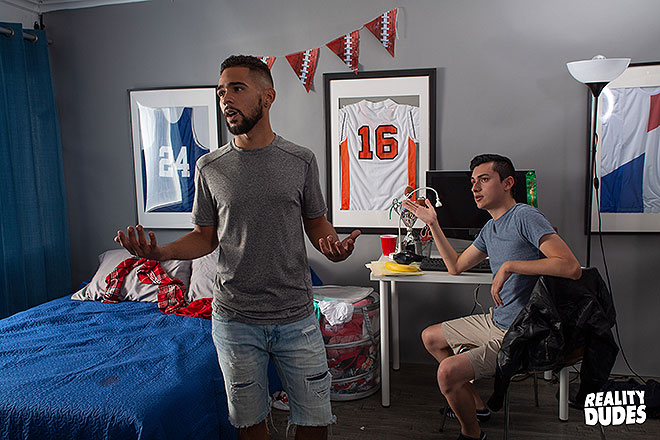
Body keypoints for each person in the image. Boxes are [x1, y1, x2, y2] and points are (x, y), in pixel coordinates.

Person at [115, 54, 360, 440]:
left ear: (268, 97)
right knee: (249, 425)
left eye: (237, 88)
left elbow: (316, 223)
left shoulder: (300, 160)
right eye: (221, 91)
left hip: (295, 316)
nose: (226, 98)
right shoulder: (210, 167)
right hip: (234, 320)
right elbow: (204, 237)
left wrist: (331, 245)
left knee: (315, 421)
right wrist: (161, 254)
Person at [402, 154, 582, 440]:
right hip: (496, 320)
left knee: (447, 372)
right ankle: (476, 406)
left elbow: (570, 267)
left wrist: (510, 266)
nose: (475, 188)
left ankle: (472, 433)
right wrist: (434, 224)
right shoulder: (491, 228)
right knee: (430, 337)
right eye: (473, 182)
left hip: (521, 332)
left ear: (508, 183)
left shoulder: (525, 216)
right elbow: (455, 266)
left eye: (484, 180)